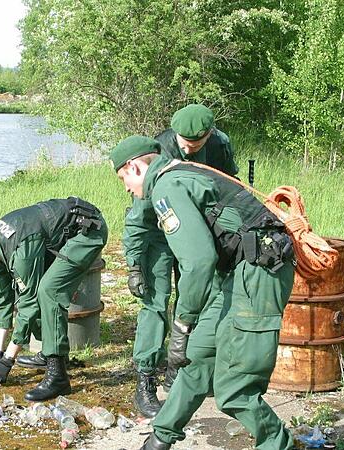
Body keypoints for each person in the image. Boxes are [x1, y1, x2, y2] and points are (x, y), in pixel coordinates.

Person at [110, 136, 295, 450]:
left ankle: (278, 444)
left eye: (123, 178)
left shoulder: (167, 188)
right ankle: (161, 437)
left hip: (259, 272)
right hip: (236, 271)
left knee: (235, 389)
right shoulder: (178, 173)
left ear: (135, 166)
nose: (126, 187)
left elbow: (197, 262)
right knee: (196, 357)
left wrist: (182, 324)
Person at [123, 104, 238, 418]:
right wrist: (134, 263)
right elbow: (138, 217)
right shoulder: (157, 150)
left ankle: (185, 369)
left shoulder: (220, 146)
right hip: (160, 228)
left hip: (201, 229)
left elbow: (229, 188)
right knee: (155, 302)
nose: (188, 148)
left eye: (196, 143)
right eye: (184, 142)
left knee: (202, 297)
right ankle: (145, 379)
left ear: (209, 134)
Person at [0, 197, 107, 401]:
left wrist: (8, 359)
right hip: (64, 233)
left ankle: (57, 375)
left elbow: (29, 302)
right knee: (35, 289)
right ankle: (50, 354)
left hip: (88, 232)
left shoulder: (19, 249)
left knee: (49, 291)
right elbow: (3, 298)